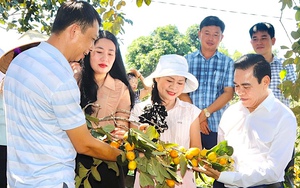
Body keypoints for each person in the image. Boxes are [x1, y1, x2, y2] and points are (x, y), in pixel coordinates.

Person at [2, 1, 122, 187]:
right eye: (91, 39)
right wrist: (124, 156)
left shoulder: (19, 63)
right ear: (74, 31)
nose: (91, 48)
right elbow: (84, 144)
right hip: (51, 181)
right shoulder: (61, 77)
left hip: (18, 180)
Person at [193, 54, 297, 188]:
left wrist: (226, 177)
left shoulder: (284, 117)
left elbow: (273, 171)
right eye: (236, 85)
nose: (239, 92)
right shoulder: (231, 113)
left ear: (265, 82)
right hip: (223, 184)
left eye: (246, 86)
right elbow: (222, 157)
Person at [130, 54, 202, 188]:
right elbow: (133, 150)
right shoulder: (139, 110)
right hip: (149, 180)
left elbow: (196, 149)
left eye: (180, 82)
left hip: (182, 181)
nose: (174, 87)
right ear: (157, 78)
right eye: (170, 80)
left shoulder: (191, 112)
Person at [75, 30, 135, 188]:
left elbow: (122, 125)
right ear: (88, 52)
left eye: (111, 53)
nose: (105, 58)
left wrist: (120, 133)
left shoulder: (120, 87)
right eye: (99, 51)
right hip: (73, 158)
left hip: (106, 159)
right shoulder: (74, 79)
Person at [179, 16, 234, 150]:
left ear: (221, 38)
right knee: (187, 167)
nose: (211, 38)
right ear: (199, 34)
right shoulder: (186, 61)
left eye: (216, 34)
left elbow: (228, 93)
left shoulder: (228, 63)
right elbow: (181, 91)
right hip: (188, 124)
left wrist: (204, 114)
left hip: (216, 125)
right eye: (207, 33)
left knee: (216, 167)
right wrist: (197, 116)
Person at [249, 22, 296, 107]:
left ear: (273, 40)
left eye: (263, 38)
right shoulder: (246, 67)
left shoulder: (285, 65)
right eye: (255, 39)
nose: (259, 42)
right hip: (254, 117)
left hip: (280, 118)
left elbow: (295, 89)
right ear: (251, 42)